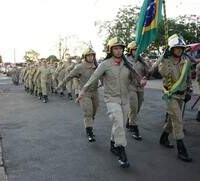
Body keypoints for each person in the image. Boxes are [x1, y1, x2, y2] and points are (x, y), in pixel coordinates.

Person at [78, 37, 147, 168]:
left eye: (120, 48)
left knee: (119, 123)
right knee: (119, 122)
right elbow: (94, 78)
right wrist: (83, 91)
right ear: (111, 50)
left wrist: (141, 81)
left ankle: (112, 144)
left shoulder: (128, 64)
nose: (118, 50)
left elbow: (134, 79)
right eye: (115, 48)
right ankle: (121, 150)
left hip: (125, 99)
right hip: (111, 99)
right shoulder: (105, 64)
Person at [158, 34, 192, 162]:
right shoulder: (166, 61)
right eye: (176, 48)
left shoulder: (186, 62)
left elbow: (188, 78)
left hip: (182, 95)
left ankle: (164, 137)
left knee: (173, 120)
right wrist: (164, 59)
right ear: (171, 49)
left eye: (181, 48)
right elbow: (163, 73)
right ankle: (181, 149)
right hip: (170, 95)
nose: (179, 50)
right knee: (178, 119)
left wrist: (189, 90)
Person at [58, 48, 99, 142]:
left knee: (93, 113)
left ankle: (90, 126)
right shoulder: (80, 67)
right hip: (85, 93)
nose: (91, 57)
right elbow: (69, 76)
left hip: (95, 92)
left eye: (92, 55)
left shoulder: (97, 66)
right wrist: (61, 84)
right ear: (85, 57)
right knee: (88, 112)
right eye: (89, 55)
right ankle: (89, 132)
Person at [126, 41, 150, 140]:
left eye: (138, 50)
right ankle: (134, 128)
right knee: (134, 107)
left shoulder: (142, 61)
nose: (137, 51)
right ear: (130, 50)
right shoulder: (126, 61)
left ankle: (129, 121)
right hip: (130, 86)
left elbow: (148, 73)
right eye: (135, 50)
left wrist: (145, 77)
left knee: (138, 108)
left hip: (140, 88)